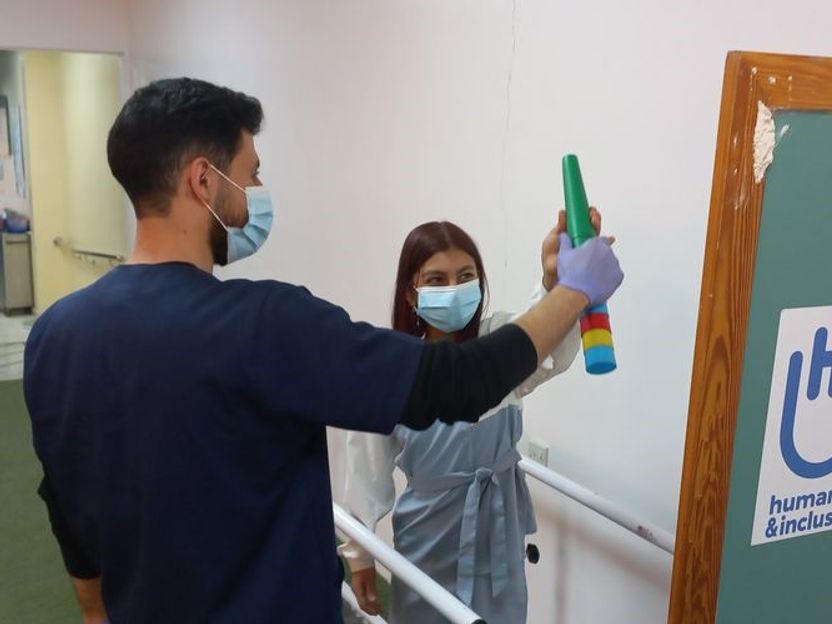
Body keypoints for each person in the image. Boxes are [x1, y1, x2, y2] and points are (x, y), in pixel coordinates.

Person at [23, 77, 624, 624]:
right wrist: (575, 290)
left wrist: (97, 613)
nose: (258, 193)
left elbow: (68, 505)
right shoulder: (265, 324)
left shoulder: (55, 336)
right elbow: (456, 383)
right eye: (251, 173)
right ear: (203, 180)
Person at [337, 216, 591, 623]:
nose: (453, 289)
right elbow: (366, 473)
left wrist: (553, 282)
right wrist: (361, 556)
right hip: (429, 537)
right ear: (411, 292)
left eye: (465, 276)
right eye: (436, 280)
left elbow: (544, 342)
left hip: (499, 529)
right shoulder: (394, 368)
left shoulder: (499, 347)